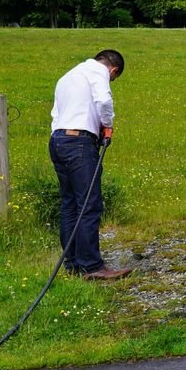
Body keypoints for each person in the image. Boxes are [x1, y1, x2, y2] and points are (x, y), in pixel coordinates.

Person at [49, 50, 133, 281]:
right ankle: (92, 266)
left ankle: (73, 263)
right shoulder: (98, 72)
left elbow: (56, 113)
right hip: (79, 143)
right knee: (89, 204)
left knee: (70, 204)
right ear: (113, 70)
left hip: (58, 140)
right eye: (114, 79)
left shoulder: (68, 76)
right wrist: (107, 125)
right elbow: (104, 100)